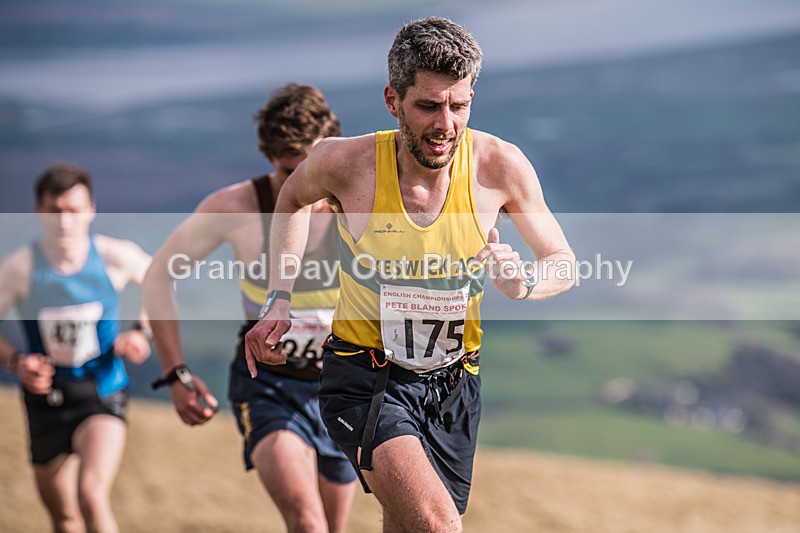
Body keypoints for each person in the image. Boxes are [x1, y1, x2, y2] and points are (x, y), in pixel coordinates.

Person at [246, 17, 576, 532]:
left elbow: (562, 261)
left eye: (459, 105)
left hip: (453, 384)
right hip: (365, 375)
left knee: (405, 524)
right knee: (440, 525)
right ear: (392, 99)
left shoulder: (499, 167)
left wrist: (524, 283)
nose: (445, 123)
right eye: (428, 105)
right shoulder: (347, 164)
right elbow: (290, 199)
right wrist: (279, 298)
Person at [143, 83, 356, 533]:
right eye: (287, 171)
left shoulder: (358, 203)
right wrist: (176, 372)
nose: (302, 184)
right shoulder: (236, 207)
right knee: (308, 524)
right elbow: (159, 275)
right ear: (267, 156)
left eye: (311, 169)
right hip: (271, 387)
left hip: (344, 387)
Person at [0, 163, 152, 533]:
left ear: (91, 210)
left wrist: (141, 332)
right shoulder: (20, 268)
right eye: (55, 211)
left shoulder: (115, 256)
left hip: (101, 389)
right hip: (45, 398)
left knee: (91, 495)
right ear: (39, 211)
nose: (64, 222)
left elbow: (161, 282)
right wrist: (16, 361)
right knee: (64, 518)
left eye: (74, 210)